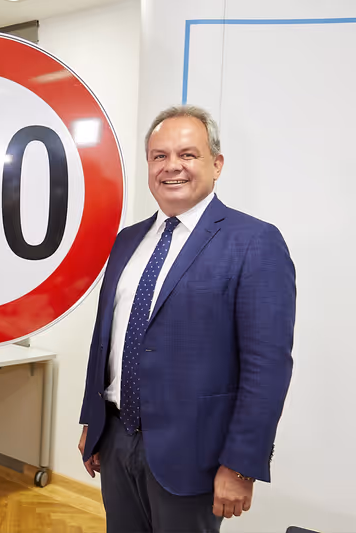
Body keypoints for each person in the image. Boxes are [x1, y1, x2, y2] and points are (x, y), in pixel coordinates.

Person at [77, 105, 295, 532]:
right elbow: (106, 340)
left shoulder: (254, 242)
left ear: (217, 164)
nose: (171, 166)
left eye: (187, 154)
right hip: (117, 439)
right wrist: (93, 421)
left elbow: (266, 367)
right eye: (159, 156)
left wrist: (241, 464)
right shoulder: (127, 241)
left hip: (196, 455)